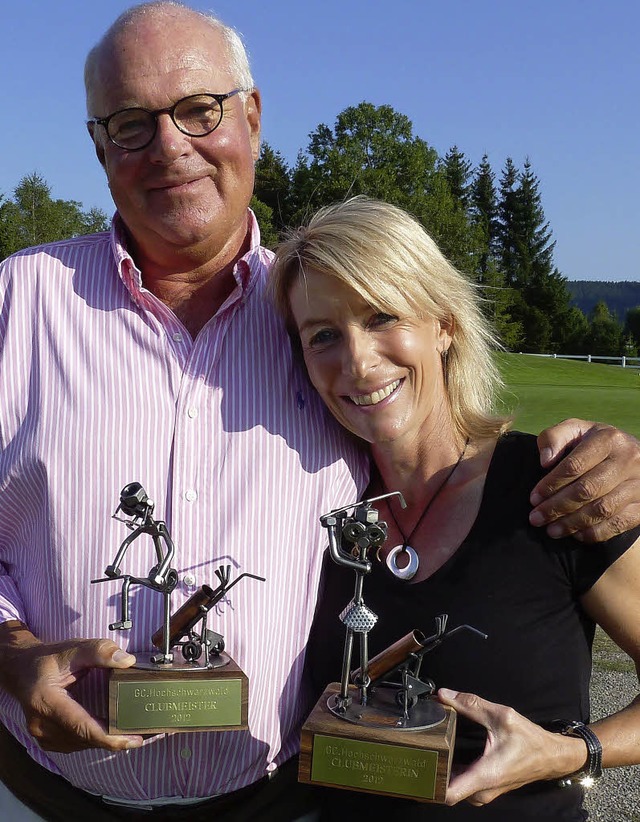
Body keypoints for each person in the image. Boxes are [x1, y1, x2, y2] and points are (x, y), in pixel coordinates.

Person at [0, 2, 638, 820]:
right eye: (130, 123)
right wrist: (10, 657)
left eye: (200, 110)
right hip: (43, 799)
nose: (169, 146)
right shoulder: (19, 304)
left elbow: (437, 443)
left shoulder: (302, 313)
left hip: (277, 803)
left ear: (252, 117)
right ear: (99, 146)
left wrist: (612, 456)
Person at [269, 196, 640, 821]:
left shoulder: (559, 487)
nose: (357, 363)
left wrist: (573, 751)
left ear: (444, 324)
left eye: (384, 316)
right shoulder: (317, 503)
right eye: (323, 336)